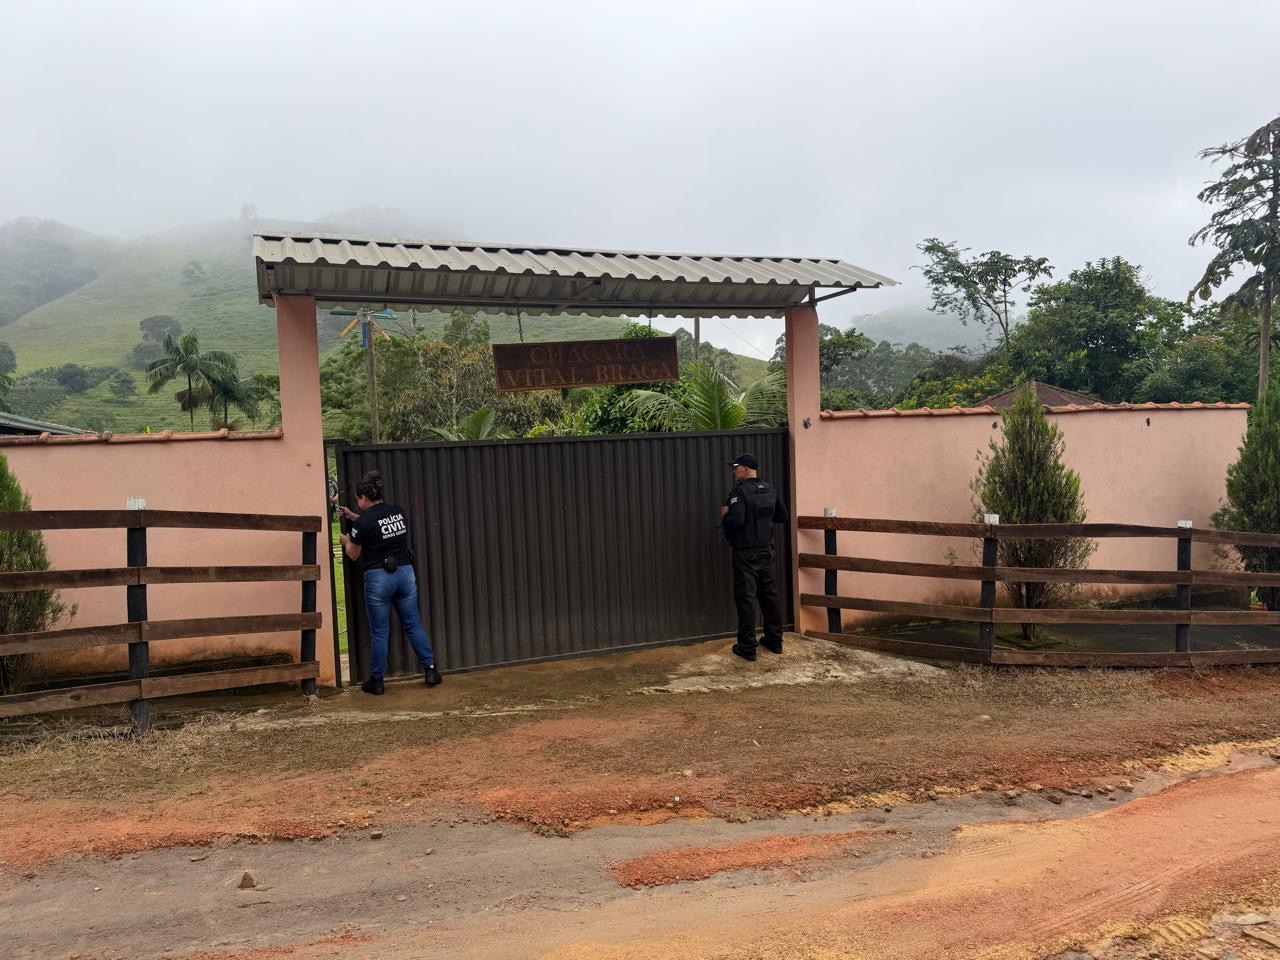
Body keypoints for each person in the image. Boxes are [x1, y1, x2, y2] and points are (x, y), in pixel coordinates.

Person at [339, 470, 442, 694]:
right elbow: (379, 526)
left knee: (379, 632)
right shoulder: (398, 512)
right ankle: (431, 670)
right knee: (413, 624)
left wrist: (345, 540)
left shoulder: (363, 523)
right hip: (405, 574)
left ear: (363, 498)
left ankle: (376, 681)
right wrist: (354, 517)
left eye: (358, 499)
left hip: (379, 578)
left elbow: (354, 554)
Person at [721, 452, 789, 662]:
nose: (734, 472)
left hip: (746, 553)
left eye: (735, 468)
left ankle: (748, 647)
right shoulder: (770, 488)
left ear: (744, 468)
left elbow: (736, 521)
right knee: (770, 596)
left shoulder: (740, 492)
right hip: (766, 552)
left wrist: (725, 515)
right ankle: (774, 641)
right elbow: (782, 516)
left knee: (746, 598)